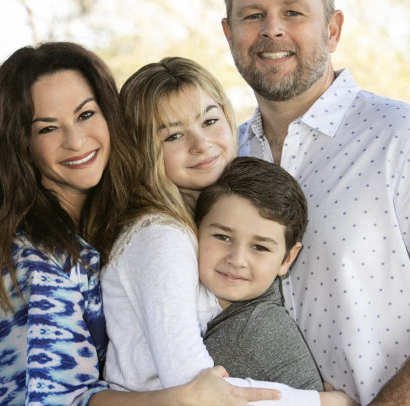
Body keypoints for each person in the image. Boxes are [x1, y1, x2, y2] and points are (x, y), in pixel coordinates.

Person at [0, 41, 279, 406]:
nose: (76, 141)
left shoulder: (103, 217)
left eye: (85, 115)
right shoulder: (35, 260)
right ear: (19, 145)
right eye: (47, 129)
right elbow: (57, 401)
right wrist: (183, 398)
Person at [221, 1, 410, 405]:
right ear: (229, 34)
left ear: (333, 30)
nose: (272, 29)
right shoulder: (227, 156)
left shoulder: (408, 139)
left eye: (294, 12)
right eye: (252, 15)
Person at [101, 56, 356, 405]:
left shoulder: (194, 222)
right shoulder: (161, 236)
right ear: (140, 149)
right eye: (173, 134)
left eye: (209, 121)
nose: (201, 143)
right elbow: (198, 390)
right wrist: (323, 402)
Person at [196, 156, 323, 391]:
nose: (237, 260)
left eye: (260, 247)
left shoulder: (244, 336)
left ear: (287, 259)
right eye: (223, 237)